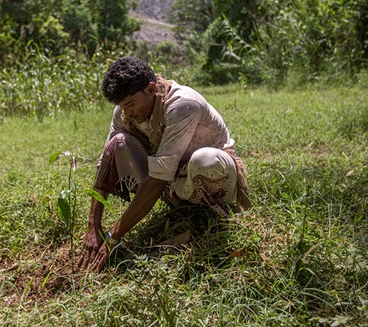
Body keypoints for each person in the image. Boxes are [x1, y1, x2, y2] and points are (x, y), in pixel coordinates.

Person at [78, 56, 251, 272]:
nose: (127, 112)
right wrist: (93, 226)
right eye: (122, 106)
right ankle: (179, 203)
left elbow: (159, 178)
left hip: (214, 177)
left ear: (151, 89)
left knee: (205, 162)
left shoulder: (183, 105)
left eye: (130, 104)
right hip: (173, 184)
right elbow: (107, 160)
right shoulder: (124, 112)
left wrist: (114, 236)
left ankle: (208, 216)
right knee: (118, 143)